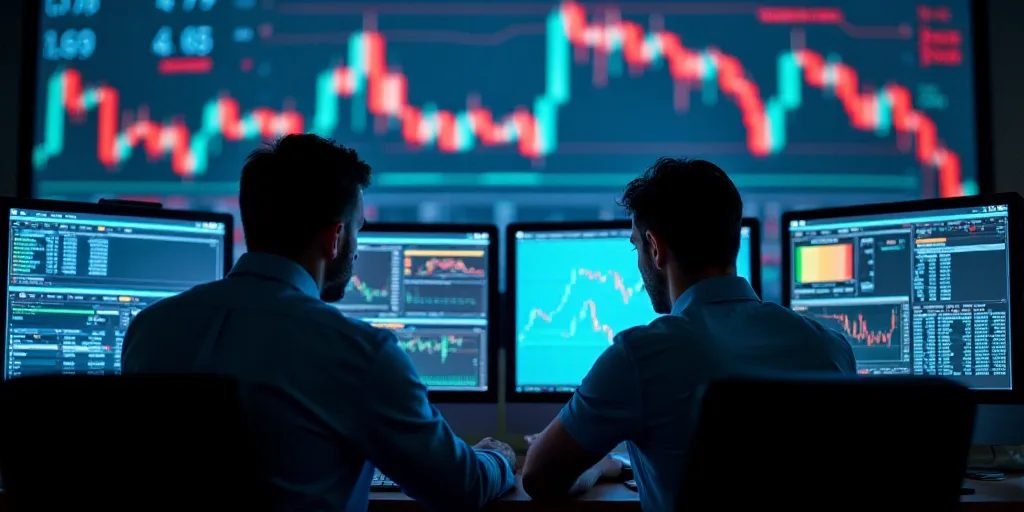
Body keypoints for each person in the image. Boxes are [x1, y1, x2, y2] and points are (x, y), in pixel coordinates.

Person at [122, 134, 516, 511]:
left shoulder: (149, 329)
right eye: (357, 230)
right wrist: (498, 458)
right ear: (335, 237)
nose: (357, 250)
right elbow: (462, 488)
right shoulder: (359, 352)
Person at [520, 157, 856, 510]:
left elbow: (539, 477)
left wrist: (599, 467)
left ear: (655, 248)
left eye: (636, 247)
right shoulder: (830, 348)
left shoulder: (639, 356)